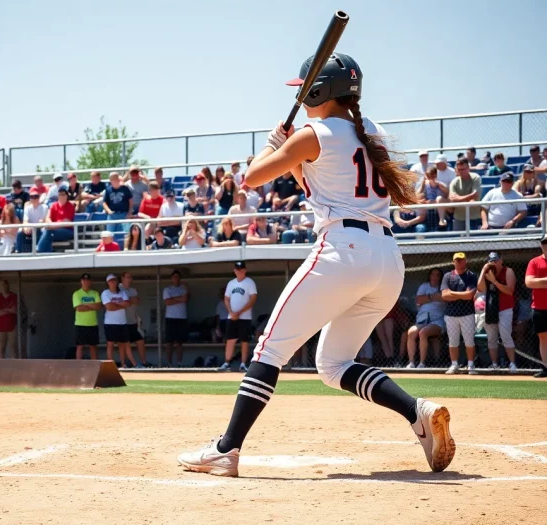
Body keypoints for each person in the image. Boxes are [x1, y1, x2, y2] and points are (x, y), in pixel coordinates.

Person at [178, 53, 454, 478]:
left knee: (270, 348)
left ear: (321, 90)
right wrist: (292, 149)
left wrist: (275, 144)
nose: (301, 96)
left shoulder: (315, 133)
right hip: (387, 259)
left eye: (305, 89)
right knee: (334, 364)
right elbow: (317, 180)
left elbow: (250, 179)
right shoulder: (372, 132)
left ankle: (225, 449)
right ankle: (417, 412)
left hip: (343, 250)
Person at [477, 252, 518, 372]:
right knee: (491, 338)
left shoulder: (508, 271)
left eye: (496, 260)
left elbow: (510, 291)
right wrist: (483, 271)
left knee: (505, 335)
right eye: (491, 261)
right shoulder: (487, 272)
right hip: (490, 309)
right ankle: (494, 364)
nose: (494, 263)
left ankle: (512, 364)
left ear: (501, 260)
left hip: (505, 308)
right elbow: (481, 288)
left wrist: (494, 282)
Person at [441, 253, 478, 375]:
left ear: (465, 261)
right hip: (451, 314)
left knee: (469, 341)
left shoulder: (471, 275)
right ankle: (454, 364)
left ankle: (470, 365)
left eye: (461, 260)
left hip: (467, 314)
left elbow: (469, 296)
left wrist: (452, 293)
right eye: (457, 260)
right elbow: (444, 296)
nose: (459, 262)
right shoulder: (448, 276)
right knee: (453, 341)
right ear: (453, 262)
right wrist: (460, 295)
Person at [218, 261, 258, 373]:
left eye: (241, 269)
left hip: (244, 317)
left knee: (244, 340)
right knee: (230, 340)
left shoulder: (249, 282)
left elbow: (253, 298)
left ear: (245, 270)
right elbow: (226, 299)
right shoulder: (231, 283)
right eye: (237, 269)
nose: (239, 271)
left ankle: (243, 364)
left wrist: (239, 312)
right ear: (234, 270)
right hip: (232, 317)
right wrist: (231, 312)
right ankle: (227, 363)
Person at [405, 268, 445, 369]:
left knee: (423, 332)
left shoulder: (444, 287)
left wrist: (427, 298)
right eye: (433, 275)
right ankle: (411, 363)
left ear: (440, 277)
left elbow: (444, 298)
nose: (435, 277)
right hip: (422, 319)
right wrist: (433, 296)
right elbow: (419, 299)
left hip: (437, 321)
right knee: (411, 332)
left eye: (437, 275)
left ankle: (422, 363)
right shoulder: (424, 286)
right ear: (429, 276)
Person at [525, 236, 547, 378]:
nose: (546, 245)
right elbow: (529, 282)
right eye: (544, 243)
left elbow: (535, 282)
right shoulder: (534, 262)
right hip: (540, 307)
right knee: (543, 338)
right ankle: (546, 367)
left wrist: (540, 283)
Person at [102, 274, 132, 366]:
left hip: (122, 322)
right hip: (110, 323)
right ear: (107, 283)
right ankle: (110, 365)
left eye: (115, 280)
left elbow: (127, 304)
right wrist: (120, 305)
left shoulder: (122, 293)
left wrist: (115, 305)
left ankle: (123, 364)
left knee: (122, 344)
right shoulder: (105, 293)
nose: (113, 282)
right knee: (110, 344)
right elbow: (109, 307)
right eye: (111, 281)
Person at [120, 272, 149, 368]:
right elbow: (125, 302)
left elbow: (136, 301)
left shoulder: (133, 290)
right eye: (127, 277)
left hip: (133, 322)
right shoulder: (119, 288)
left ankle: (144, 363)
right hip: (122, 322)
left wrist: (129, 300)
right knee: (125, 344)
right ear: (122, 278)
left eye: (130, 277)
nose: (129, 279)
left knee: (140, 341)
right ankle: (125, 364)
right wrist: (129, 300)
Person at [37, 188, 76, 253]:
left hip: (67, 230)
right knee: (43, 231)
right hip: (53, 229)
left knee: (48, 231)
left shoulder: (70, 206)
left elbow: (66, 222)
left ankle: (38, 250)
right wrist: (51, 224)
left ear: (67, 196)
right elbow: (47, 218)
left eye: (63, 195)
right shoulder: (53, 205)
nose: (61, 197)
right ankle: (47, 253)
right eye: (60, 195)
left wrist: (51, 226)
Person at [73, 273, 102, 360]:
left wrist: (86, 305)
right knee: (80, 346)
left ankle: (94, 366)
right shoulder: (76, 294)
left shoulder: (95, 293)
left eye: (88, 280)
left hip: (92, 324)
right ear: (81, 281)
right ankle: (78, 366)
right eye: (84, 280)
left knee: (93, 346)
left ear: (91, 282)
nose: (86, 282)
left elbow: (98, 306)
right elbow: (79, 308)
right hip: (80, 324)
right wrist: (92, 305)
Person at [448, 158, 483, 231]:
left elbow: (475, 194)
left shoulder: (476, 178)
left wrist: (458, 199)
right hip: (459, 218)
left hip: (474, 217)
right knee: (458, 241)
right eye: (459, 169)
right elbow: (452, 199)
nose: (461, 172)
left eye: (463, 169)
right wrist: (469, 198)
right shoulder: (454, 182)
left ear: (468, 168)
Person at [163, 270, 188, 367]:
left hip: (181, 317)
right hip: (170, 318)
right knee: (169, 342)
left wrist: (174, 299)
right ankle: (169, 363)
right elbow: (167, 302)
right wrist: (179, 298)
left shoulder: (183, 288)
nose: (176, 278)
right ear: (171, 278)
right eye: (174, 277)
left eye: (178, 276)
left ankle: (179, 363)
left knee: (179, 342)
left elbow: (185, 299)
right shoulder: (167, 289)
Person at [0, 280, 18, 359]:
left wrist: (3, 310)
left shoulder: (14, 296)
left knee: (13, 347)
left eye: (6, 285)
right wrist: (8, 309)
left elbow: (14, 310)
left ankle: (15, 366)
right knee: (2, 348)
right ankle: (1, 366)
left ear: (8, 286)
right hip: (1, 327)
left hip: (12, 326)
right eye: (3, 285)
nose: (4, 287)